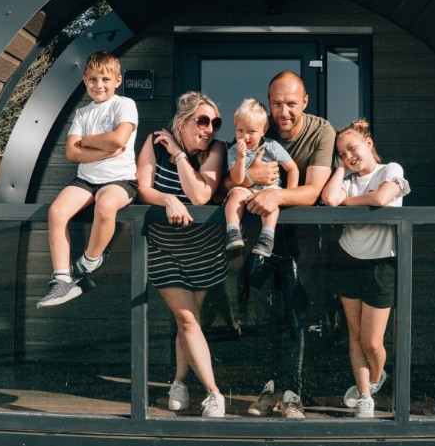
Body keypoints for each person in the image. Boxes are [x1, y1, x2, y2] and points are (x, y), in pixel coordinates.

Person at [234, 72, 335, 419]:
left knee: (297, 316)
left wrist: (275, 193)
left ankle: (294, 393)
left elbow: (313, 191)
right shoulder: (257, 127)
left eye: (291, 103)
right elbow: (230, 179)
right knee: (263, 314)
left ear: (304, 102)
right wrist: (252, 179)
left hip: (301, 240)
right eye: (276, 103)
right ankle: (268, 388)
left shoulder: (321, 131)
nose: (283, 111)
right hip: (260, 236)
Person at [136, 92, 228, 418]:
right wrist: (167, 200)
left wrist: (178, 155)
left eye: (215, 122)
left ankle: (178, 382)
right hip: (164, 249)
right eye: (202, 121)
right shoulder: (154, 142)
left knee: (188, 321)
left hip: (203, 249)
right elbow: (143, 188)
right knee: (188, 319)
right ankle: (214, 394)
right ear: (181, 122)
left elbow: (200, 195)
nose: (209, 129)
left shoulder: (216, 150)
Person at [320, 119, 410, 418]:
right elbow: (330, 199)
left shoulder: (390, 170)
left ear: (368, 142)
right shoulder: (345, 179)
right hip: (348, 260)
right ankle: (364, 397)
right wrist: (341, 171)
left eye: (352, 148)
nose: (349, 156)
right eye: (342, 154)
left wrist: (348, 204)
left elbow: (382, 198)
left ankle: (375, 379)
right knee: (355, 335)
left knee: (372, 341)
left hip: (382, 263)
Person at [37, 51, 138, 308]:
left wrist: (88, 141)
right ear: (84, 80)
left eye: (105, 79)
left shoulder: (124, 104)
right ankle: (61, 279)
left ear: (117, 80)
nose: (99, 85)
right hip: (86, 180)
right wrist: (104, 149)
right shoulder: (82, 113)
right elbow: (71, 152)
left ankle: (87, 263)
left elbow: (119, 139)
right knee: (57, 211)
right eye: (93, 79)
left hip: (120, 180)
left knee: (106, 204)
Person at [224, 98, 300, 258]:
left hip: (269, 188)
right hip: (246, 188)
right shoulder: (233, 151)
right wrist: (241, 157)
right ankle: (233, 231)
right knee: (235, 195)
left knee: (271, 202)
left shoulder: (271, 146)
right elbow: (237, 179)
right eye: (240, 130)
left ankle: (267, 237)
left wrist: (289, 194)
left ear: (263, 130)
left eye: (251, 131)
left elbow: (292, 168)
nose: (245, 136)